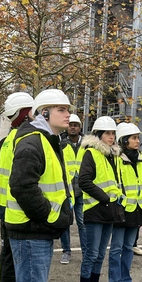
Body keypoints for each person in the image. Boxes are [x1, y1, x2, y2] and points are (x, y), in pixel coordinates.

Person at [5, 89, 74, 282]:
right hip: (31, 232)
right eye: (61, 109)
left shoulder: (45, 139)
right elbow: (22, 186)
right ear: (44, 112)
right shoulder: (34, 141)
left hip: (31, 231)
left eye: (68, 109)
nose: (68, 114)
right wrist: (50, 216)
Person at [0, 92, 34, 282]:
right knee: (13, 262)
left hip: (5, 208)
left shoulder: (6, 141)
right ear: (25, 113)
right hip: (15, 210)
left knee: (8, 260)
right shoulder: (23, 141)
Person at [76, 116, 124, 282]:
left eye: (113, 133)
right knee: (91, 255)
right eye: (107, 133)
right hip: (95, 210)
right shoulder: (91, 153)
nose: (111, 137)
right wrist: (104, 198)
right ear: (98, 135)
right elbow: (84, 181)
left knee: (100, 255)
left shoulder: (110, 156)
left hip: (108, 211)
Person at [108, 123, 142, 282]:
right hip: (121, 209)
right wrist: (118, 203)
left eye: (137, 137)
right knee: (116, 248)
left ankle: (126, 280)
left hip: (137, 209)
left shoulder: (141, 158)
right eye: (134, 138)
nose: (137, 141)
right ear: (124, 141)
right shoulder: (115, 159)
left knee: (128, 247)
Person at [59, 113, 87, 264]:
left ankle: (85, 251)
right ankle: (66, 251)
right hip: (67, 190)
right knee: (66, 223)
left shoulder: (87, 145)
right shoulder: (61, 144)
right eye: (70, 125)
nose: (72, 127)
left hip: (82, 190)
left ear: (80, 127)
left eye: (75, 125)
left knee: (83, 223)